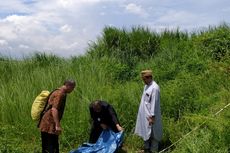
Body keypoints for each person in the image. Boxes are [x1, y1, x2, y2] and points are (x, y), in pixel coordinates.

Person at [39, 80, 76, 153]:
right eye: (73, 88)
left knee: (47, 143)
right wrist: (57, 125)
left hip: (46, 121)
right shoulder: (60, 94)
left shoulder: (58, 91)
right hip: (49, 122)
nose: (73, 90)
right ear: (69, 86)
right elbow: (54, 109)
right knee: (51, 144)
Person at [134, 70, 163, 153]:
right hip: (145, 115)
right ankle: (147, 149)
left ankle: (153, 150)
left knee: (154, 134)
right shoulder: (146, 86)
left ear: (149, 78)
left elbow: (154, 103)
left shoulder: (155, 88)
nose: (143, 81)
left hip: (151, 116)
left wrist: (152, 116)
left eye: (144, 80)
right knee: (145, 132)